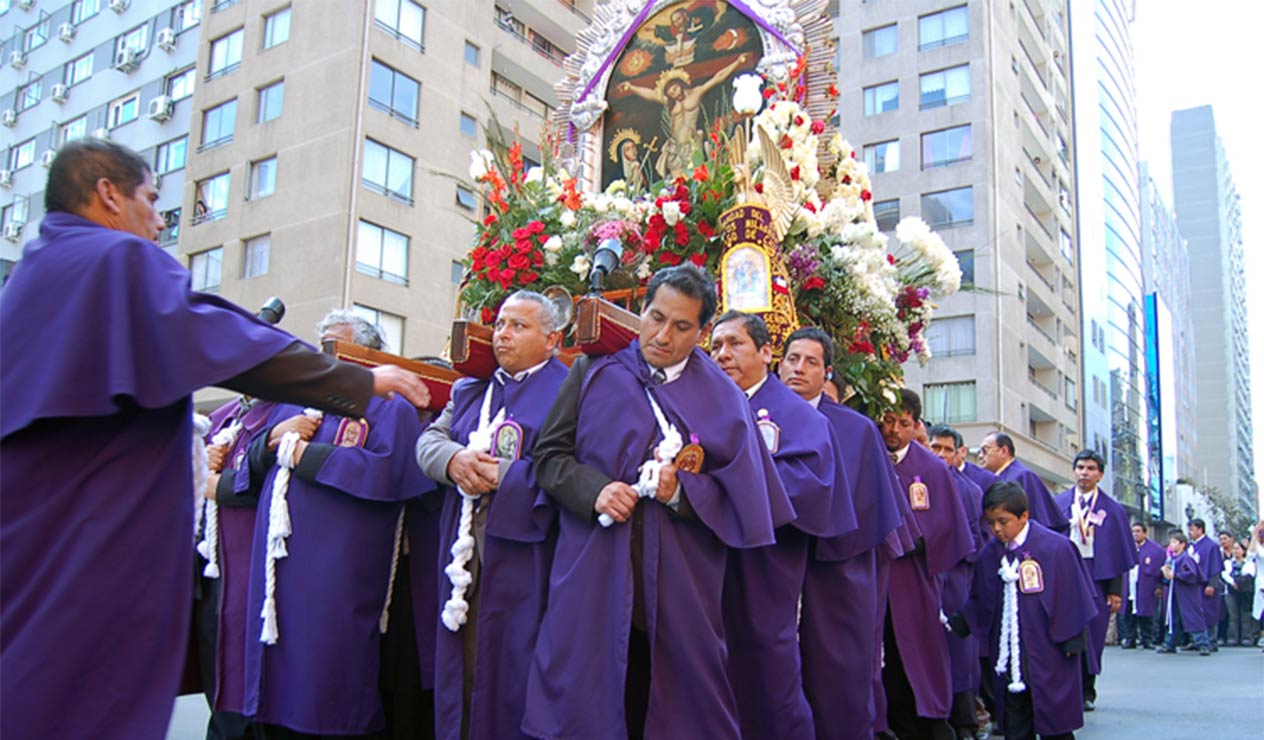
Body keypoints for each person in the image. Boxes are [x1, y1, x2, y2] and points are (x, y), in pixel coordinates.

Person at [0, 140, 427, 740]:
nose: (158, 220)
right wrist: (359, 379)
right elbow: (214, 335)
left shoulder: (31, 276)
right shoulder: (114, 259)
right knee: (85, 689)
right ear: (108, 194)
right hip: (91, 536)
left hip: (31, 531)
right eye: (152, 200)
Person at [522, 264, 791, 740]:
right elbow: (549, 458)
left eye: (682, 326)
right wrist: (595, 490)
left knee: (675, 700)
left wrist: (681, 494)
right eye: (655, 317)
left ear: (703, 332)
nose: (662, 336)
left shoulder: (725, 398)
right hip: (593, 569)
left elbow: (746, 496)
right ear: (641, 310)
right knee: (584, 693)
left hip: (679, 583)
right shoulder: (593, 369)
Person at [240, 311, 435, 739]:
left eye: (337, 346)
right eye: (322, 345)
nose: (326, 354)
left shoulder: (388, 405)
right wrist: (272, 441)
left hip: (338, 570)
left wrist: (304, 456)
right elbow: (247, 471)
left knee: (329, 675)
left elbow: (389, 471)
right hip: (279, 569)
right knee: (275, 670)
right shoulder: (293, 401)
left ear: (366, 354)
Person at [414, 291, 568, 740]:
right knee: (462, 667)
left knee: (514, 671)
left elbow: (573, 470)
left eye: (519, 326)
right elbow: (428, 442)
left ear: (553, 338)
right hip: (465, 556)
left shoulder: (570, 390)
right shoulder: (473, 389)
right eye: (500, 324)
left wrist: (508, 476)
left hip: (530, 557)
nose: (503, 334)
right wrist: (453, 461)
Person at [710, 312, 854, 740]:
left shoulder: (797, 415)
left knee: (765, 668)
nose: (724, 354)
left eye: (735, 344)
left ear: (766, 353)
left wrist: (721, 492)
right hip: (706, 560)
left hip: (765, 563)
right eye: (716, 346)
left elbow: (809, 487)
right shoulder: (705, 403)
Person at [778, 328, 906, 740]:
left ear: (827, 372)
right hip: (770, 563)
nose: (799, 369)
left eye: (811, 362)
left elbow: (872, 508)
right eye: (792, 359)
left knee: (839, 675)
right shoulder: (753, 414)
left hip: (838, 567)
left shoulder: (857, 430)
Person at [955, 482, 1098, 740]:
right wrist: (961, 621)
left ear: (1024, 516)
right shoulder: (991, 553)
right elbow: (981, 597)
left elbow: (1072, 594)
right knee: (1015, 719)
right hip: (1010, 652)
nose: (997, 529)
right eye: (991, 523)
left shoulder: (1056, 547)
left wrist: (1074, 637)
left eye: (1003, 521)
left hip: (1049, 648)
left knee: (1055, 719)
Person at [880, 390, 975, 740]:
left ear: (916, 425)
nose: (894, 430)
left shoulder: (932, 467)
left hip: (913, 576)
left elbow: (949, 526)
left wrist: (911, 543)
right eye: (889, 421)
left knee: (917, 652)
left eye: (904, 424)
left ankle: (932, 721)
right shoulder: (868, 454)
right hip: (873, 572)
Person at [195, 394, 288, 740]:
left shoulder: (291, 412)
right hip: (215, 576)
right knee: (221, 689)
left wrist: (217, 485)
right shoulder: (220, 418)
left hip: (266, 573)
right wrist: (198, 465)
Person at [1052, 450, 1134, 712]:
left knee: (1093, 634)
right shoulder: (1060, 502)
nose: (1084, 473)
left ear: (1100, 474)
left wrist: (1115, 591)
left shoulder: (1112, 510)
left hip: (1096, 575)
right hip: (1066, 573)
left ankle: (1088, 688)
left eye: (1090, 468)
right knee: (1065, 628)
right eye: (1080, 467)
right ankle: (1067, 686)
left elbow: (1119, 553)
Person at [928, 424, 987, 740]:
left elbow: (976, 541)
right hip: (923, 576)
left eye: (947, 449)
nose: (939, 454)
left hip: (955, 578)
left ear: (959, 453)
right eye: (935, 447)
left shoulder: (970, 490)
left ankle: (964, 721)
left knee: (959, 651)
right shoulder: (917, 478)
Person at [978, 432, 1069, 534]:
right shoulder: (989, 478)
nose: (980, 456)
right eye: (979, 451)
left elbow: (1039, 518)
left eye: (985, 450)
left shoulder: (1024, 476)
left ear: (1003, 451)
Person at [1156, 531, 1213, 655]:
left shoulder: (1186, 558)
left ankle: (1203, 644)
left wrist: (1175, 575)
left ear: (1182, 544)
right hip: (1175, 592)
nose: (1172, 545)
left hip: (1187, 593)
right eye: (1171, 542)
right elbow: (1167, 578)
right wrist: (1165, 574)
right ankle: (1170, 643)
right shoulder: (1172, 559)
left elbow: (1192, 574)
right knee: (1173, 618)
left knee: (1193, 616)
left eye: (1175, 542)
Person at [1118, 522, 1166, 649]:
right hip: (1129, 584)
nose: (1135, 534)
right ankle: (1130, 638)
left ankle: (1147, 639)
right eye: (1133, 531)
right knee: (1128, 613)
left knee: (1147, 613)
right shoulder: (1127, 547)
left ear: (1145, 533)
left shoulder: (1155, 550)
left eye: (1138, 531)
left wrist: (1159, 586)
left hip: (1146, 586)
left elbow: (1160, 569)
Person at [1187, 518, 1223, 652]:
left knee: (1209, 612)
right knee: (1194, 613)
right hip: (1193, 585)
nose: (1190, 533)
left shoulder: (1211, 546)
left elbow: (1215, 566)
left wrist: (1212, 584)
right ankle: (1196, 640)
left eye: (1192, 529)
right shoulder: (1191, 546)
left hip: (1206, 584)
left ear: (1200, 529)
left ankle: (1211, 640)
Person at [1221, 540, 1257, 646]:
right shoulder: (1227, 563)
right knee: (1233, 616)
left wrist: (1239, 583)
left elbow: (1250, 574)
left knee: (1245, 615)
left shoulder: (1249, 563)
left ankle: (1246, 637)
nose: (1236, 551)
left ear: (1243, 551)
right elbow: (1224, 574)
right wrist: (1233, 583)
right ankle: (1233, 637)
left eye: (1238, 549)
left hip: (1244, 592)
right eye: (1234, 549)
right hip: (1230, 592)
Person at [1216, 532, 1235, 645]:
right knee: (1222, 613)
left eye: (1225, 538)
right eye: (1221, 539)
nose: (1223, 541)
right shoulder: (1219, 553)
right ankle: (1221, 636)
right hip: (1222, 585)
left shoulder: (1237, 551)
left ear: (1231, 539)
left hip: (1236, 584)